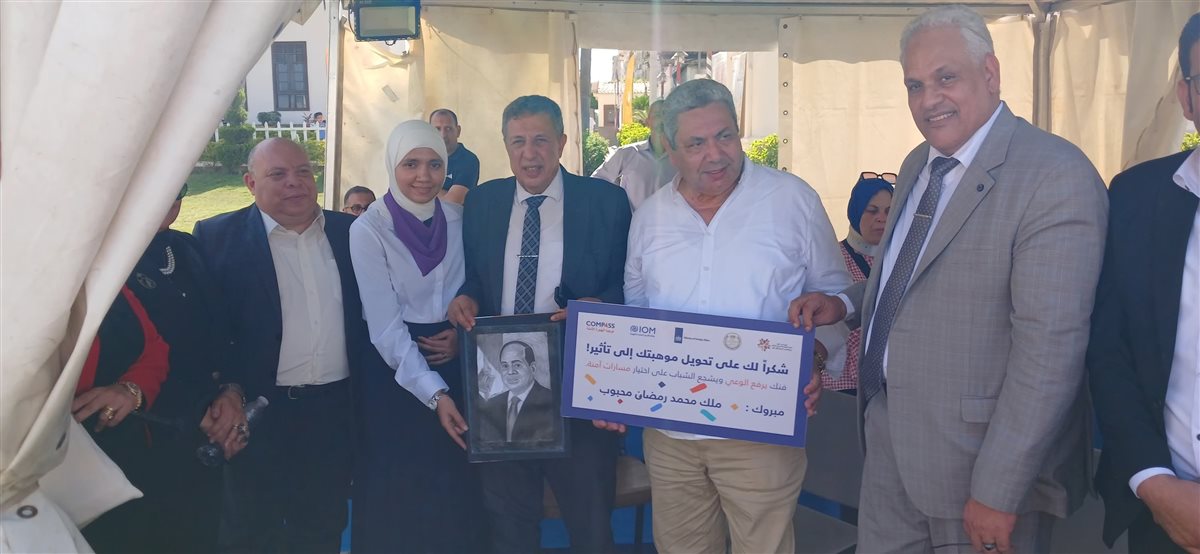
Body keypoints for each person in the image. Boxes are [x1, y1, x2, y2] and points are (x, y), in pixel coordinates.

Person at [792, 5, 1107, 553]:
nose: (928, 99)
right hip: (887, 443)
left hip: (976, 469)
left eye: (946, 78)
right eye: (914, 85)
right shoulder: (921, 161)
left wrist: (998, 491)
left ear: (991, 73)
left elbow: (1049, 353)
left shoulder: (1054, 175)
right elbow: (909, 276)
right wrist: (845, 305)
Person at [611, 78, 847, 554]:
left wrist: (816, 357)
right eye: (696, 143)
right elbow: (638, 314)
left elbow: (837, 298)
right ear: (669, 149)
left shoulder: (793, 200)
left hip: (761, 430)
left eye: (725, 136)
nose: (715, 154)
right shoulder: (650, 217)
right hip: (671, 435)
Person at [447, 95, 631, 553]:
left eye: (541, 140)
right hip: (502, 388)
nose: (530, 154)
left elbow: (631, 285)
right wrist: (466, 296)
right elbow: (477, 276)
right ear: (505, 146)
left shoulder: (606, 202)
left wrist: (601, 304)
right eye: (518, 142)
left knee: (591, 525)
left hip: (579, 385)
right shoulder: (483, 201)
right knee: (509, 526)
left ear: (563, 143)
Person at [193, 137, 375, 553]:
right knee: (251, 530)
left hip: (333, 413)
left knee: (322, 526)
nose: (295, 182)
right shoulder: (217, 237)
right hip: (256, 412)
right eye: (278, 174)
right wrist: (224, 389)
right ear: (250, 183)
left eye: (303, 172)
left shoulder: (352, 233)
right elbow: (205, 329)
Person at [1088, 13, 1200, 554]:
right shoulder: (1135, 197)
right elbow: (1110, 350)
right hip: (1161, 511)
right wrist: (1153, 482)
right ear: (1186, 96)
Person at [346, 119, 484, 553]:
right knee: (400, 489)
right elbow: (385, 327)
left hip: (454, 357)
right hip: (395, 373)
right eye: (411, 164)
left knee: (455, 485)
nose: (424, 176)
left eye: (434, 164)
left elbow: (475, 287)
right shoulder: (369, 229)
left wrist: (463, 337)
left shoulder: (458, 219)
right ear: (392, 166)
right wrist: (435, 394)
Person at [124, 183, 248, 553]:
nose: (169, 198)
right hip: (141, 436)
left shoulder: (186, 247)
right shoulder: (108, 257)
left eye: (179, 188)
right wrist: (197, 411)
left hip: (204, 434)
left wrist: (231, 392)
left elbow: (223, 332)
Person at [73, 285, 170, 554]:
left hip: (122, 464)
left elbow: (155, 348)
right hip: (56, 470)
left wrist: (130, 389)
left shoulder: (110, 280)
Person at [820, 173, 894, 393]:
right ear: (855, 211)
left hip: (887, 385)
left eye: (889, 211)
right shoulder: (831, 258)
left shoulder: (903, 262)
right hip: (840, 385)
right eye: (872, 210)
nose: (881, 218)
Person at [591, 99, 677, 209]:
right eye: (657, 115)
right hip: (632, 220)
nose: (662, 120)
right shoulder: (627, 154)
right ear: (647, 122)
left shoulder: (682, 159)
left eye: (666, 115)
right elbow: (596, 182)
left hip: (671, 220)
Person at [478, 340, 556, 443]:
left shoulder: (552, 400)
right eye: (505, 366)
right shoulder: (492, 404)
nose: (510, 372)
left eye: (517, 365)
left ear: (532, 368)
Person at [430, 108, 481, 205]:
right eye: (437, 129)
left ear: (458, 131)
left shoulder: (468, 160)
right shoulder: (423, 157)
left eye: (448, 129)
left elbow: (453, 201)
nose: (443, 135)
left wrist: (424, 190)